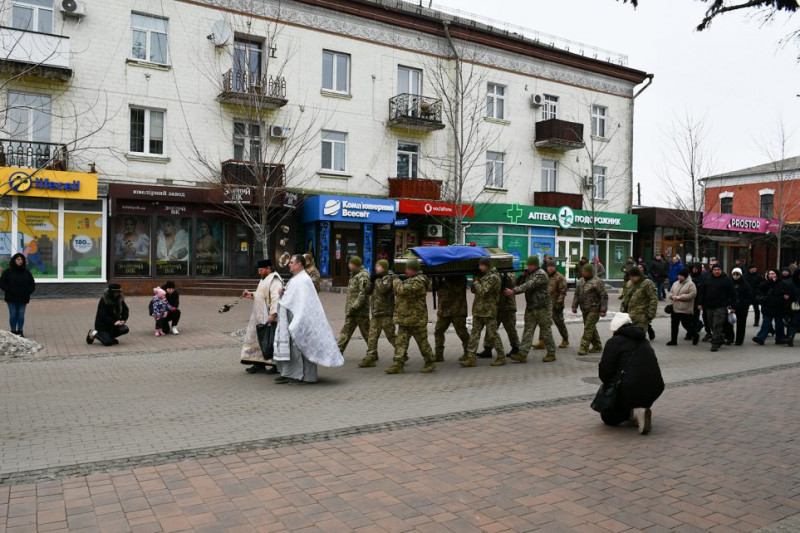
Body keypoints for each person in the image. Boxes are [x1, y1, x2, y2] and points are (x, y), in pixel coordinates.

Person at [274, 255, 344, 384]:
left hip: (301, 318)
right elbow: (293, 297)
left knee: (303, 347)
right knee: (292, 347)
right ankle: (289, 373)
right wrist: (284, 294)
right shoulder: (296, 278)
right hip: (291, 316)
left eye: (291, 262)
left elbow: (306, 303)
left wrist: (298, 320)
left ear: (299, 264)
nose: (289, 264)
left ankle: (303, 376)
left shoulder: (304, 280)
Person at [597, 313, 664, 435]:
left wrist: (608, 387)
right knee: (632, 391)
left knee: (608, 418)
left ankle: (635, 412)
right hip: (656, 386)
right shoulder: (644, 340)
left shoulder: (614, 342)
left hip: (630, 388)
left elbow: (605, 371)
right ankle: (638, 410)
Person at [385, 259, 436, 374]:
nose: (406, 271)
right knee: (400, 342)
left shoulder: (419, 281)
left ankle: (430, 362)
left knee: (422, 342)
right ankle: (398, 364)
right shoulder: (412, 279)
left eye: (407, 269)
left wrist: (396, 279)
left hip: (416, 319)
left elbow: (401, 290)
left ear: (412, 270)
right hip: (405, 318)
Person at [505, 255, 556, 363]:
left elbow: (528, 286)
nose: (528, 267)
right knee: (528, 331)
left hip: (543, 308)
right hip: (531, 307)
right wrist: (523, 276)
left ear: (535, 265)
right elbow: (519, 283)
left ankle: (551, 353)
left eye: (530, 265)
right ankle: (522, 354)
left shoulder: (541, 274)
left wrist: (513, 292)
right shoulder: (530, 274)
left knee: (546, 331)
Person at [240, 259, 283, 374]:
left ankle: (277, 365)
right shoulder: (264, 279)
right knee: (259, 340)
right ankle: (259, 364)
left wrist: (273, 314)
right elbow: (261, 294)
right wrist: (251, 294)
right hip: (260, 315)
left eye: (261, 270)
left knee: (272, 340)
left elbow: (276, 298)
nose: (259, 272)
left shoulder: (275, 280)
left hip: (269, 316)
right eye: (258, 270)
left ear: (268, 269)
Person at [461, 257, 506, 367]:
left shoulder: (494, 277)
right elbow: (474, 290)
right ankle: (471, 358)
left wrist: (476, 282)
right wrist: (476, 281)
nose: (479, 267)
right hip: (478, 311)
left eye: (481, 265)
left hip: (488, 311)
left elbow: (483, 291)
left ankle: (501, 356)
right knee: (474, 335)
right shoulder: (484, 277)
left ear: (486, 265)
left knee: (493, 335)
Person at [359, 259, 396, 368]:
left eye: (378, 266)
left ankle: (402, 353)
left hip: (385, 314)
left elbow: (383, 289)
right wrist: (370, 281)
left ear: (384, 268)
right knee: (372, 337)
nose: (376, 268)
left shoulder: (388, 278)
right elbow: (367, 291)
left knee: (391, 336)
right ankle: (370, 357)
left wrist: (377, 280)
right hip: (376, 314)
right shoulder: (377, 278)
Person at [479, 270, 520, 358]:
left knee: (510, 328)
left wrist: (502, 274)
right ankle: (487, 349)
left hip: (508, 306)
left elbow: (511, 282)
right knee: (491, 328)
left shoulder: (510, 274)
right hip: (497, 306)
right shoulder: (493, 274)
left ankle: (516, 348)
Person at [697, 263, 736, 352]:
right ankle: (720, 338)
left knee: (717, 325)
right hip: (709, 306)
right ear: (712, 270)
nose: (716, 271)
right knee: (711, 324)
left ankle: (715, 344)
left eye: (718, 269)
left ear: (721, 270)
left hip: (721, 306)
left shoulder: (727, 279)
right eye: (715, 270)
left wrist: (733, 306)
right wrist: (700, 303)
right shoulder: (707, 278)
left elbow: (733, 294)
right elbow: (702, 291)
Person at [571, 262, 608, 355]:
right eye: (582, 271)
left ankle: (584, 347)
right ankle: (597, 346)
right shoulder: (580, 281)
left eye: (585, 271)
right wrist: (574, 306)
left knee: (588, 327)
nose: (583, 273)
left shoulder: (597, 281)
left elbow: (604, 296)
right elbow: (577, 295)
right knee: (591, 327)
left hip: (595, 309)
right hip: (584, 308)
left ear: (590, 272)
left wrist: (603, 310)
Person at [337, 256, 370, 353]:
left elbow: (363, 293)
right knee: (345, 331)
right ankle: (338, 352)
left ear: (355, 265)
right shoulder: (354, 275)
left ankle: (373, 352)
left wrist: (355, 306)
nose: (348, 265)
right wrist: (350, 308)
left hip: (360, 311)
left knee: (367, 333)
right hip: (351, 311)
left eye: (350, 264)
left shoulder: (363, 275)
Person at [434, 275, 470, 363]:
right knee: (438, 331)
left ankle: (469, 353)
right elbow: (433, 288)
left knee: (462, 333)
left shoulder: (459, 278)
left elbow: (456, 290)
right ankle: (438, 355)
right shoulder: (441, 278)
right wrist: (438, 279)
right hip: (444, 311)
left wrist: (446, 279)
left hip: (457, 310)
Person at [0, 253, 35, 336]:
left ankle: (20, 330)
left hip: (23, 297)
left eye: (22, 259)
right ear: (14, 260)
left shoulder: (26, 272)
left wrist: (28, 291)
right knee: (13, 313)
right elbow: (2, 283)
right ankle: (13, 331)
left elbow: (32, 284)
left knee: (21, 313)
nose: (20, 261)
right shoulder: (8, 272)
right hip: (11, 297)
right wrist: (7, 290)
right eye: (18, 259)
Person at [753, 269, 791, 346]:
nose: (771, 275)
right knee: (766, 323)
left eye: (773, 274)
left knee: (779, 324)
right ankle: (761, 337)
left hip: (779, 308)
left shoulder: (782, 283)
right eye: (769, 274)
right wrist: (770, 281)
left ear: (777, 274)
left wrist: (786, 296)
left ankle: (780, 338)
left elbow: (788, 293)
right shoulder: (766, 283)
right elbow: (760, 289)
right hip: (767, 307)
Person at [621, 267, 658, 336]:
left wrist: (651, 314)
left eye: (634, 276)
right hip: (629, 315)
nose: (632, 278)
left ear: (639, 275)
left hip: (642, 316)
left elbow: (653, 299)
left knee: (639, 337)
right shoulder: (629, 283)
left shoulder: (647, 283)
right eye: (630, 276)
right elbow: (625, 298)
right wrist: (622, 310)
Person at [666, 268, 698, 346]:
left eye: (681, 276)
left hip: (685, 309)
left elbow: (693, 294)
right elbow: (670, 292)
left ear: (685, 276)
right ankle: (673, 341)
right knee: (674, 325)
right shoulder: (675, 283)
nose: (679, 277)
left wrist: (680, 297)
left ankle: (695, 335)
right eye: (679, 275)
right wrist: (672, 296)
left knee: (687, 325)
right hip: (675, 308)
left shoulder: (691, 284)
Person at [544, 261, 569, 349]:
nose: (550, 268)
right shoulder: (545, 276)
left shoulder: (560, 277)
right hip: (546, 304)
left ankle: (565, 339)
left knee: (559, 322)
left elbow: (563, 291)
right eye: (549, 266)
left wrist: (559, 302)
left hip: (556, 304)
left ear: (555, 267)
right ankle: (542, 341)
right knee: (544, 322)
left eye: (552, 267)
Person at [728, 268, 752, 346]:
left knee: (741, 325)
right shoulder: (729, 284)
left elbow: (748, 297)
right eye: (734, 274)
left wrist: (739, 305)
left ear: (740, 275)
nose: (735, 276)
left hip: (742, 308)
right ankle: (730, 338)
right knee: (729, 323)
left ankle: (739, 340)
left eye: (737, 274)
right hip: (731, 307)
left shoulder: (745, 285)